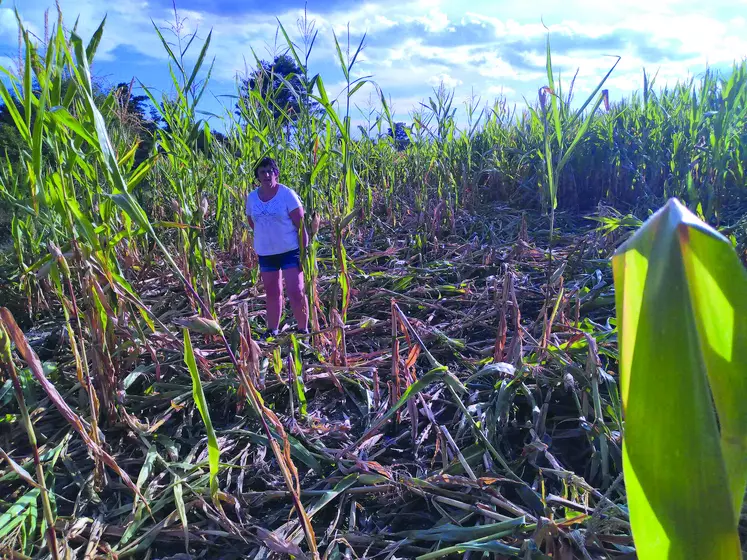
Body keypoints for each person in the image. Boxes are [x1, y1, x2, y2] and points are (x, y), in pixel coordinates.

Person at [245, 157, 309, 338]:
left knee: (296, 291)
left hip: (290, 251)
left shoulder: (287, 195)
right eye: (262, 172)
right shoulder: (252, 198)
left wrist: (303, 254)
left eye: (270, 171)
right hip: (266, 253)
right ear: (257, 176)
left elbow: (301, 225)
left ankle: (303, 329)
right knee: (272, 293)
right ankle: (272, 329)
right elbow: (252, 222)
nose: (266, 175)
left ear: (276, 173)